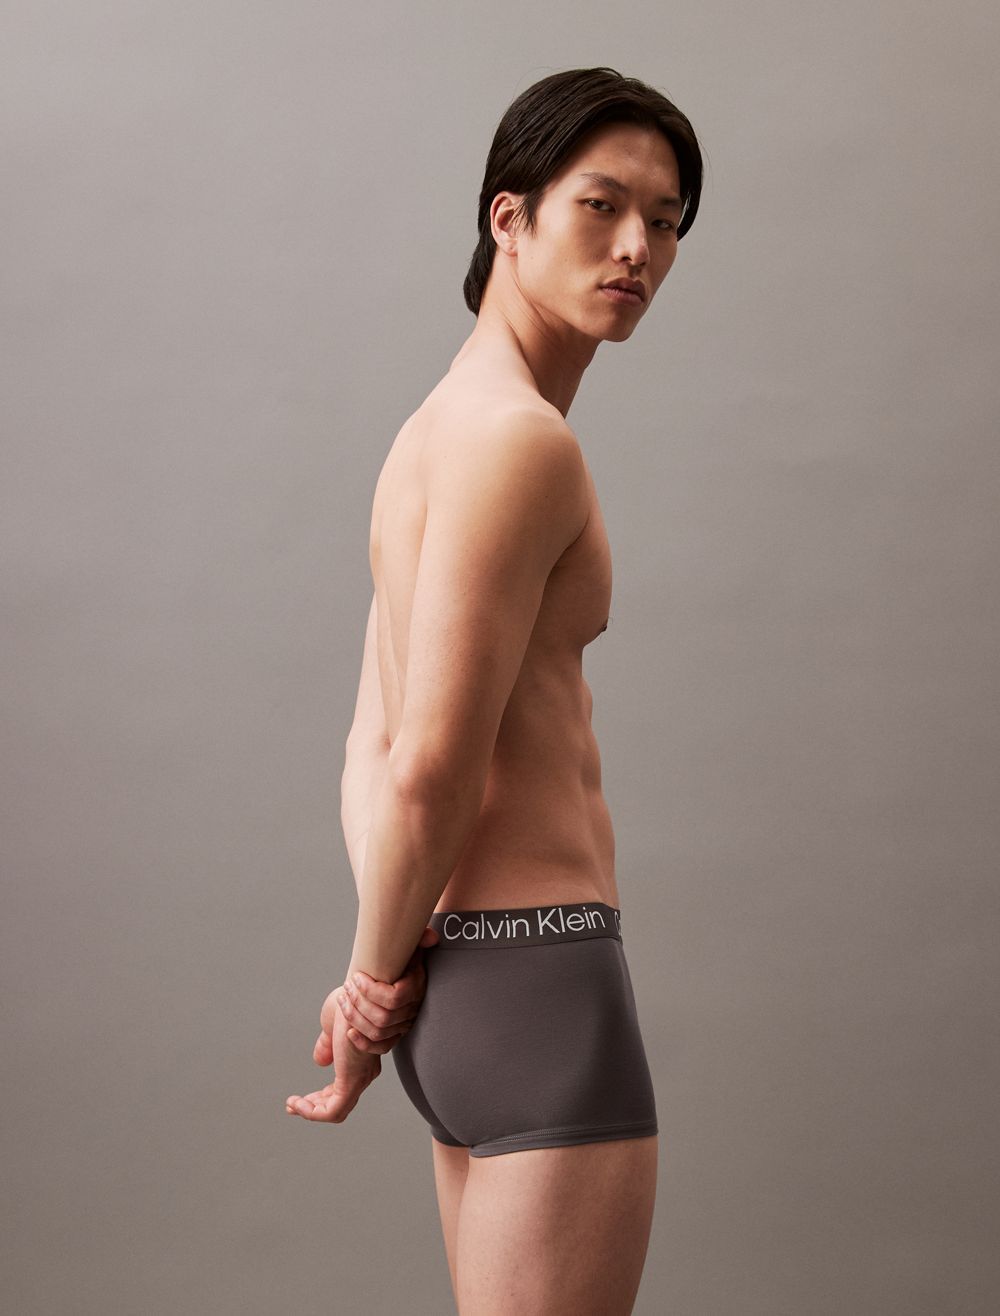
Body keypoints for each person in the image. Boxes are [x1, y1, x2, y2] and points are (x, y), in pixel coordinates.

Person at [285, 65, 703, 1314]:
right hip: (542, 985)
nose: (636, 248)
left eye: (666, 221)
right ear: (508, 218)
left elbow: (365, 749)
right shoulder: (523, 442)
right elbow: (425, 765)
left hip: (456, 996)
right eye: (601, 206)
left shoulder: (427, 435)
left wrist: (381, 974)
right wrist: (369, 988)